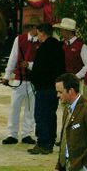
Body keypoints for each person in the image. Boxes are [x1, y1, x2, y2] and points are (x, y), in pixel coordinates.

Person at [1, 16, 41, 145]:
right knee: (14, 107)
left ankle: (26, 134)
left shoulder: (42, 42)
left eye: (35, 27)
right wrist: (7, 76)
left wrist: (30, 65)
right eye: (32, 27)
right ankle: (12, 133)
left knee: (31, 108)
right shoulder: (19, 39)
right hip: (19, 78)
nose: (34, 29)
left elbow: (42, 63)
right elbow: (13, 58)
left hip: (34, 80)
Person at [26, 23, 66, 155]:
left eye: (38, 33)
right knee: (51, 114)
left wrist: (31, 75)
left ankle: (43, 143)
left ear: (43, 33)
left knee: (41, 115)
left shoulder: (43, 48)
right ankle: (49, 141)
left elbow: (39, 69)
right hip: (55, 87)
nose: (38, 37)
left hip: (44, 87)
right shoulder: (58, 46)